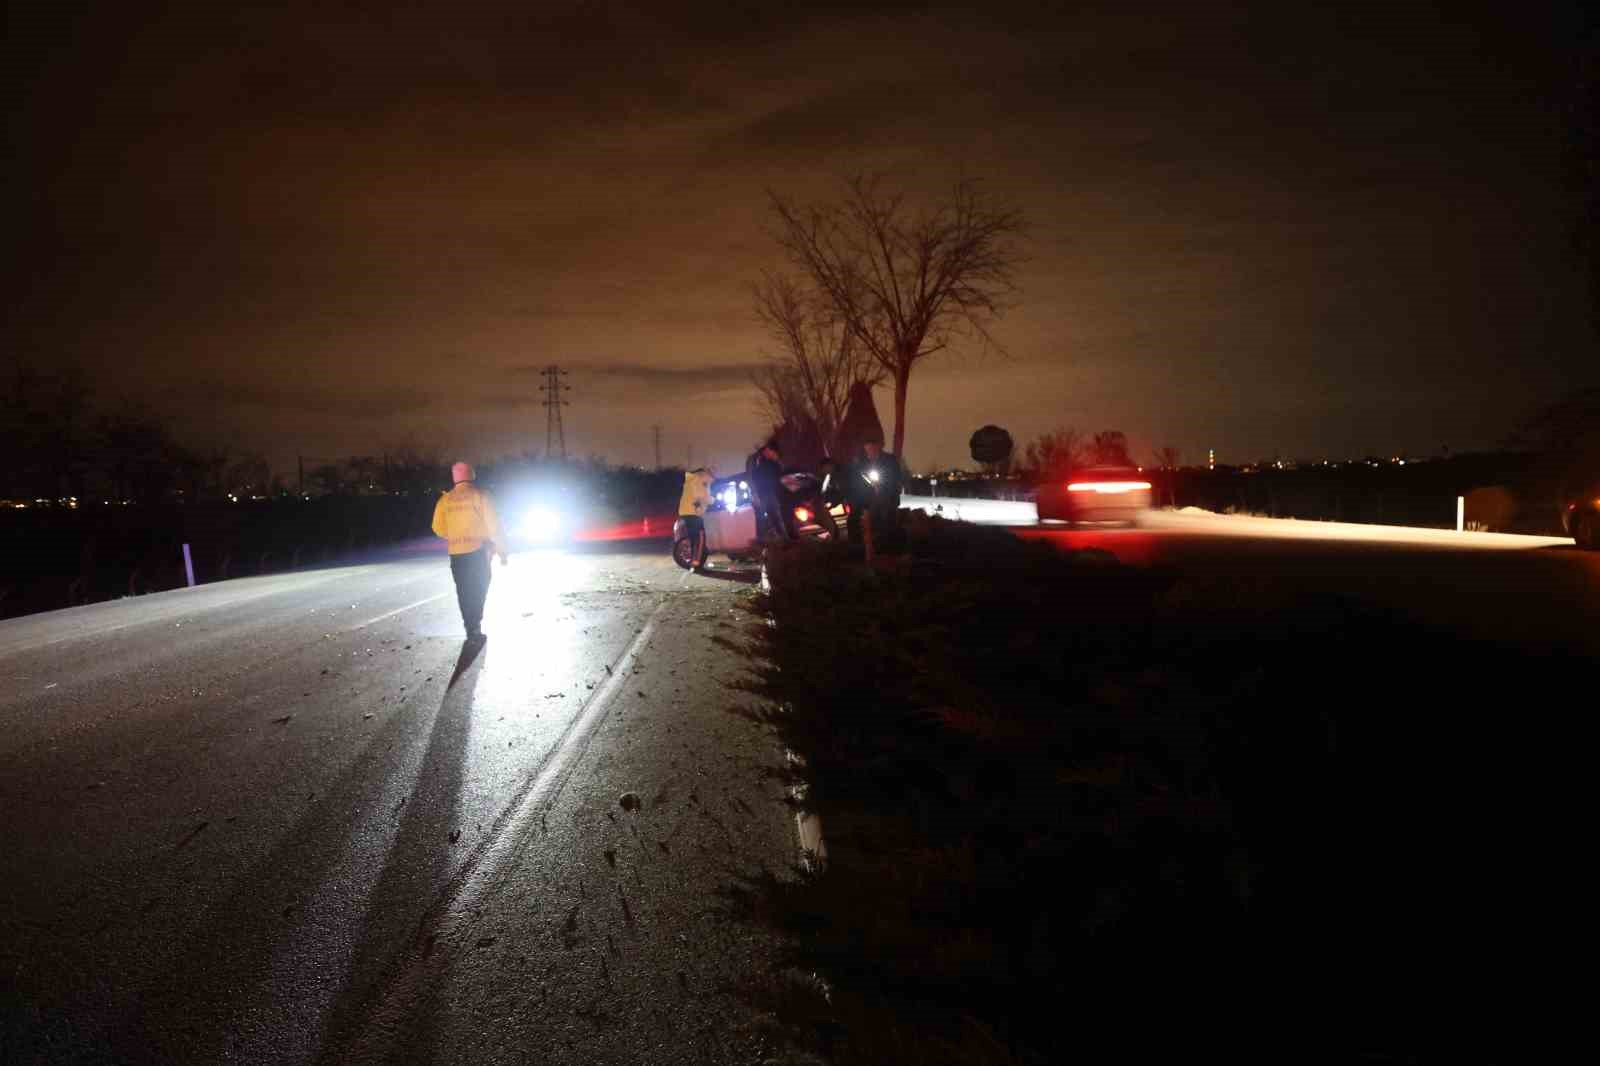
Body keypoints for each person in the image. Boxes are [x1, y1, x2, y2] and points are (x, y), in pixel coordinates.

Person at [431, 461, 506, 641]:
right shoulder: (480, 496)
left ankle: (470, 626)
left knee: (463, 591)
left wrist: (454, 534)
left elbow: (437, 528)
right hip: (478, 551)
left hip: (456, 553)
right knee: (480, 586)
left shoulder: (445, 500)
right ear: (471, 475)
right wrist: (502, 550)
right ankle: (476, 622)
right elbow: (494, 525)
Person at [844, 436, 903, 550]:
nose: (869, 453)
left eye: (872, 450)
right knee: (859, 521)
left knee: (886, 524)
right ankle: (860, 547)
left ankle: (887, 548)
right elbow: (859, 478)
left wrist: (884, 489)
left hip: (887, 499)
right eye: (867, 450)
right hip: (870, 500)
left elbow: (895, 479)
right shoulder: (863, 462)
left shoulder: (889, 460)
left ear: (878, 448)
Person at [746, 437, 791, 541]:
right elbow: (750, 477)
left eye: (767, 449)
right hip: (760, 493)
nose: (766, 451)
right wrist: (754, 494)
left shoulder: (772, 458)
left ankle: (785, 540)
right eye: (765, 449)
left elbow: (781, 472)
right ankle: (761, 544)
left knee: (777, 517)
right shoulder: (753, 459)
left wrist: (776, 459)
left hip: (772, 493)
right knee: (761, 519)